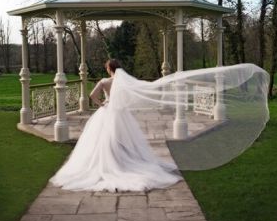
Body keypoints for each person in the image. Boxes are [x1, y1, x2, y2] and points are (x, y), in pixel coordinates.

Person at [49, 59, 182, 192]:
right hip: (120, 112)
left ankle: (110, 162)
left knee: (104, 139)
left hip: (107, 111)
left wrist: (101, 103)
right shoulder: (122, 82)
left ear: (109, 69)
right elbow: (130, 96)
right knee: (124, 138)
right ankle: (124, 160)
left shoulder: (104, 82)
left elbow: (92, 95)